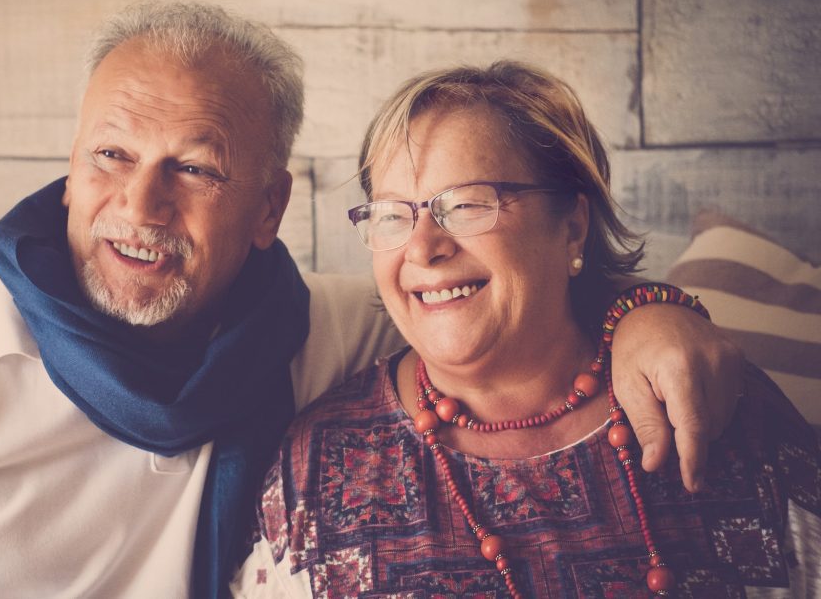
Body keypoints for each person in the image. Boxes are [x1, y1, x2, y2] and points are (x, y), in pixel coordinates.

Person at [0, 2, 743, 598]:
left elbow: (495, 303)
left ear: (268, 208)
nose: (139, 206)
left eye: (195, 168)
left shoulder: (327, 331)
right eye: (110, 157)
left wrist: (650, 311)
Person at [234, 62, 820, 597]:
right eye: (392, 214)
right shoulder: (321, 463)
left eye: (465, 204)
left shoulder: (699, 397)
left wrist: (660, 309)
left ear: (572, 227)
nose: (423, 248)